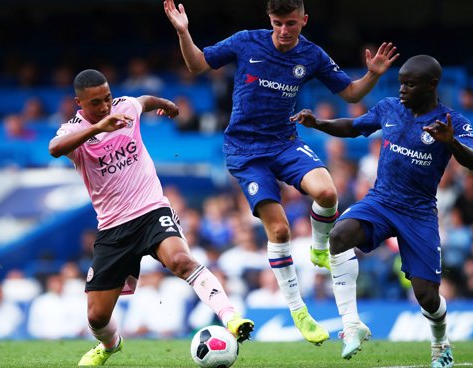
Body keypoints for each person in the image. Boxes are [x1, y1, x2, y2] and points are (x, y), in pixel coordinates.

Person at [163, 0, 398, 344]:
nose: (284, 31)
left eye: (290, 23)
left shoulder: (312, 55)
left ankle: (320, 247)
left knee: (328, 193)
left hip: (284, 142)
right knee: (279, 230)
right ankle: (299, 312)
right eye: (277, 23)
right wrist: (184, 32)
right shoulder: (247, 41)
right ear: (269, 20)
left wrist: (373, 75)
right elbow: (198, 65)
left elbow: (349, 94)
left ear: (304, 20)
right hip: (245, 150)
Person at [48, 69, 253, 366]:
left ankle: (230, 318)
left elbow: (142, 100)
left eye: (107, 98)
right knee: (96, 316)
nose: (105, 107)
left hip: (151, 210)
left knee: (181, 261)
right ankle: (109, 346)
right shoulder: (73, 132)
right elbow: (54, 149)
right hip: (113, 228)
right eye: (96, 103)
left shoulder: (125, 107)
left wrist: (166, 104)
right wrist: (98, 128)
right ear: (79, 102)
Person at [291, 55, 473, 366]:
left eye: (410, 83)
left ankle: (440, 343)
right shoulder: (390, 107)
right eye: (401, 82)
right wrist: (319, 123)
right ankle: (352, 325)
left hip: (418, 213)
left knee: (427, 298)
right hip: (381, 201)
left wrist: (451, 144)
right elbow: (353, 127)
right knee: (338, 235)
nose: (402, 89)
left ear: (432, 85)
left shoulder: (452, 122)